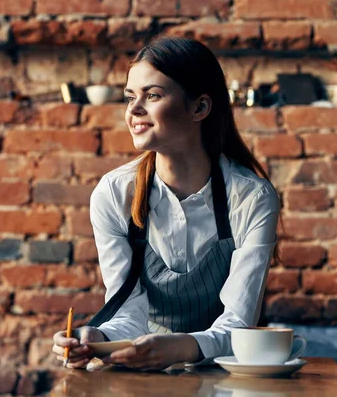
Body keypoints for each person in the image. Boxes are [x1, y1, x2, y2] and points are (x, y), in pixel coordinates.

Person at [52, 36, 280, 371]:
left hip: (227, 368)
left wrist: (184, 347)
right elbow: (128, 314)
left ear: (199, 107)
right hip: (142, 363)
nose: (134, 109)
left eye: (152, 95)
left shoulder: (252, 198)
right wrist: (96, 338)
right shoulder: (115, 195)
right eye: (131, 97)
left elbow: (238, 326)